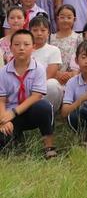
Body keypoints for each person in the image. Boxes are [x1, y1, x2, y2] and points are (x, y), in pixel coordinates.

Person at [0, 29, 56, 158]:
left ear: (33, 47)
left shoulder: (39, 69)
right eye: (17, 44)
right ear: (11, 47)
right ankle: (17, 137)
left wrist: (13, 113)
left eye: (26, 44)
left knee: (44, 106)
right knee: (4, 143)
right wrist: (3, 120)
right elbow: (1, 100)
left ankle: (49, 147)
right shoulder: (3, 72)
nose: (21, 48)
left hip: (29, 111)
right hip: (8, 114)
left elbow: (36, 96)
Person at [29, 15, 63, 112]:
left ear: (48, 33)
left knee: (52, 84)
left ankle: (48, 112)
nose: (39, 33)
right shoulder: (25, 49)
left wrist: (34, 90)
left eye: (43, 30)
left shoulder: (54, 50)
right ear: (29, 32)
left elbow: (50, 75)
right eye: (35, 30)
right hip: (25, 87)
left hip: (43, 88)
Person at [50, 4, 82, 73]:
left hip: (74, 75)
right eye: (62, 17)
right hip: (54, 75)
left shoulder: (79, 38)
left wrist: (71, 74)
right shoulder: (50, 38)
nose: (65, 20)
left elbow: (82, 58)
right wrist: (57, 74)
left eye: (69, 17)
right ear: (57, 19)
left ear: (74, 19)